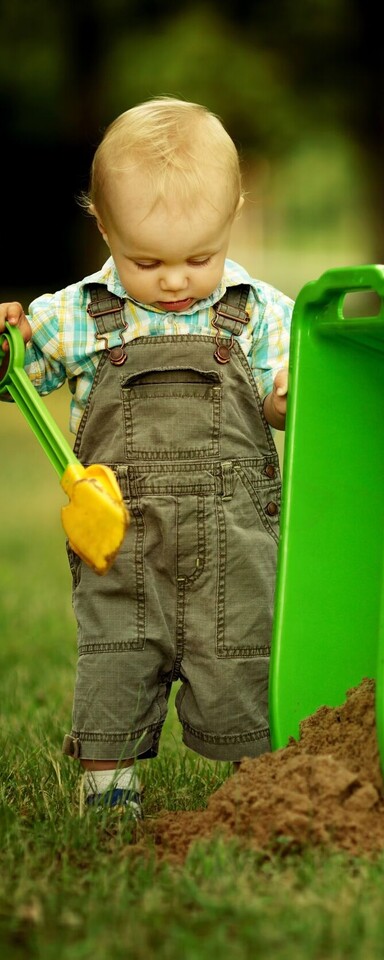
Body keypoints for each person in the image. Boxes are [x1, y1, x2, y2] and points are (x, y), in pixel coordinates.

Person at [0, 97, 293, 817]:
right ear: (103, 226)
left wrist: (290, 397)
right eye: (147, 260)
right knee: (115, 661)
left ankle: (249, 804)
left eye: (200, 257)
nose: (174, 280)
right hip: (122, 545)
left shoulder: (258, 312)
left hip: (234, 547)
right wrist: (5, 344)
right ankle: (108, 798)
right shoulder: (77, 313)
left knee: (242, 668)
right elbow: (21, 379)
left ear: (234, 218)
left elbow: (283, 405)